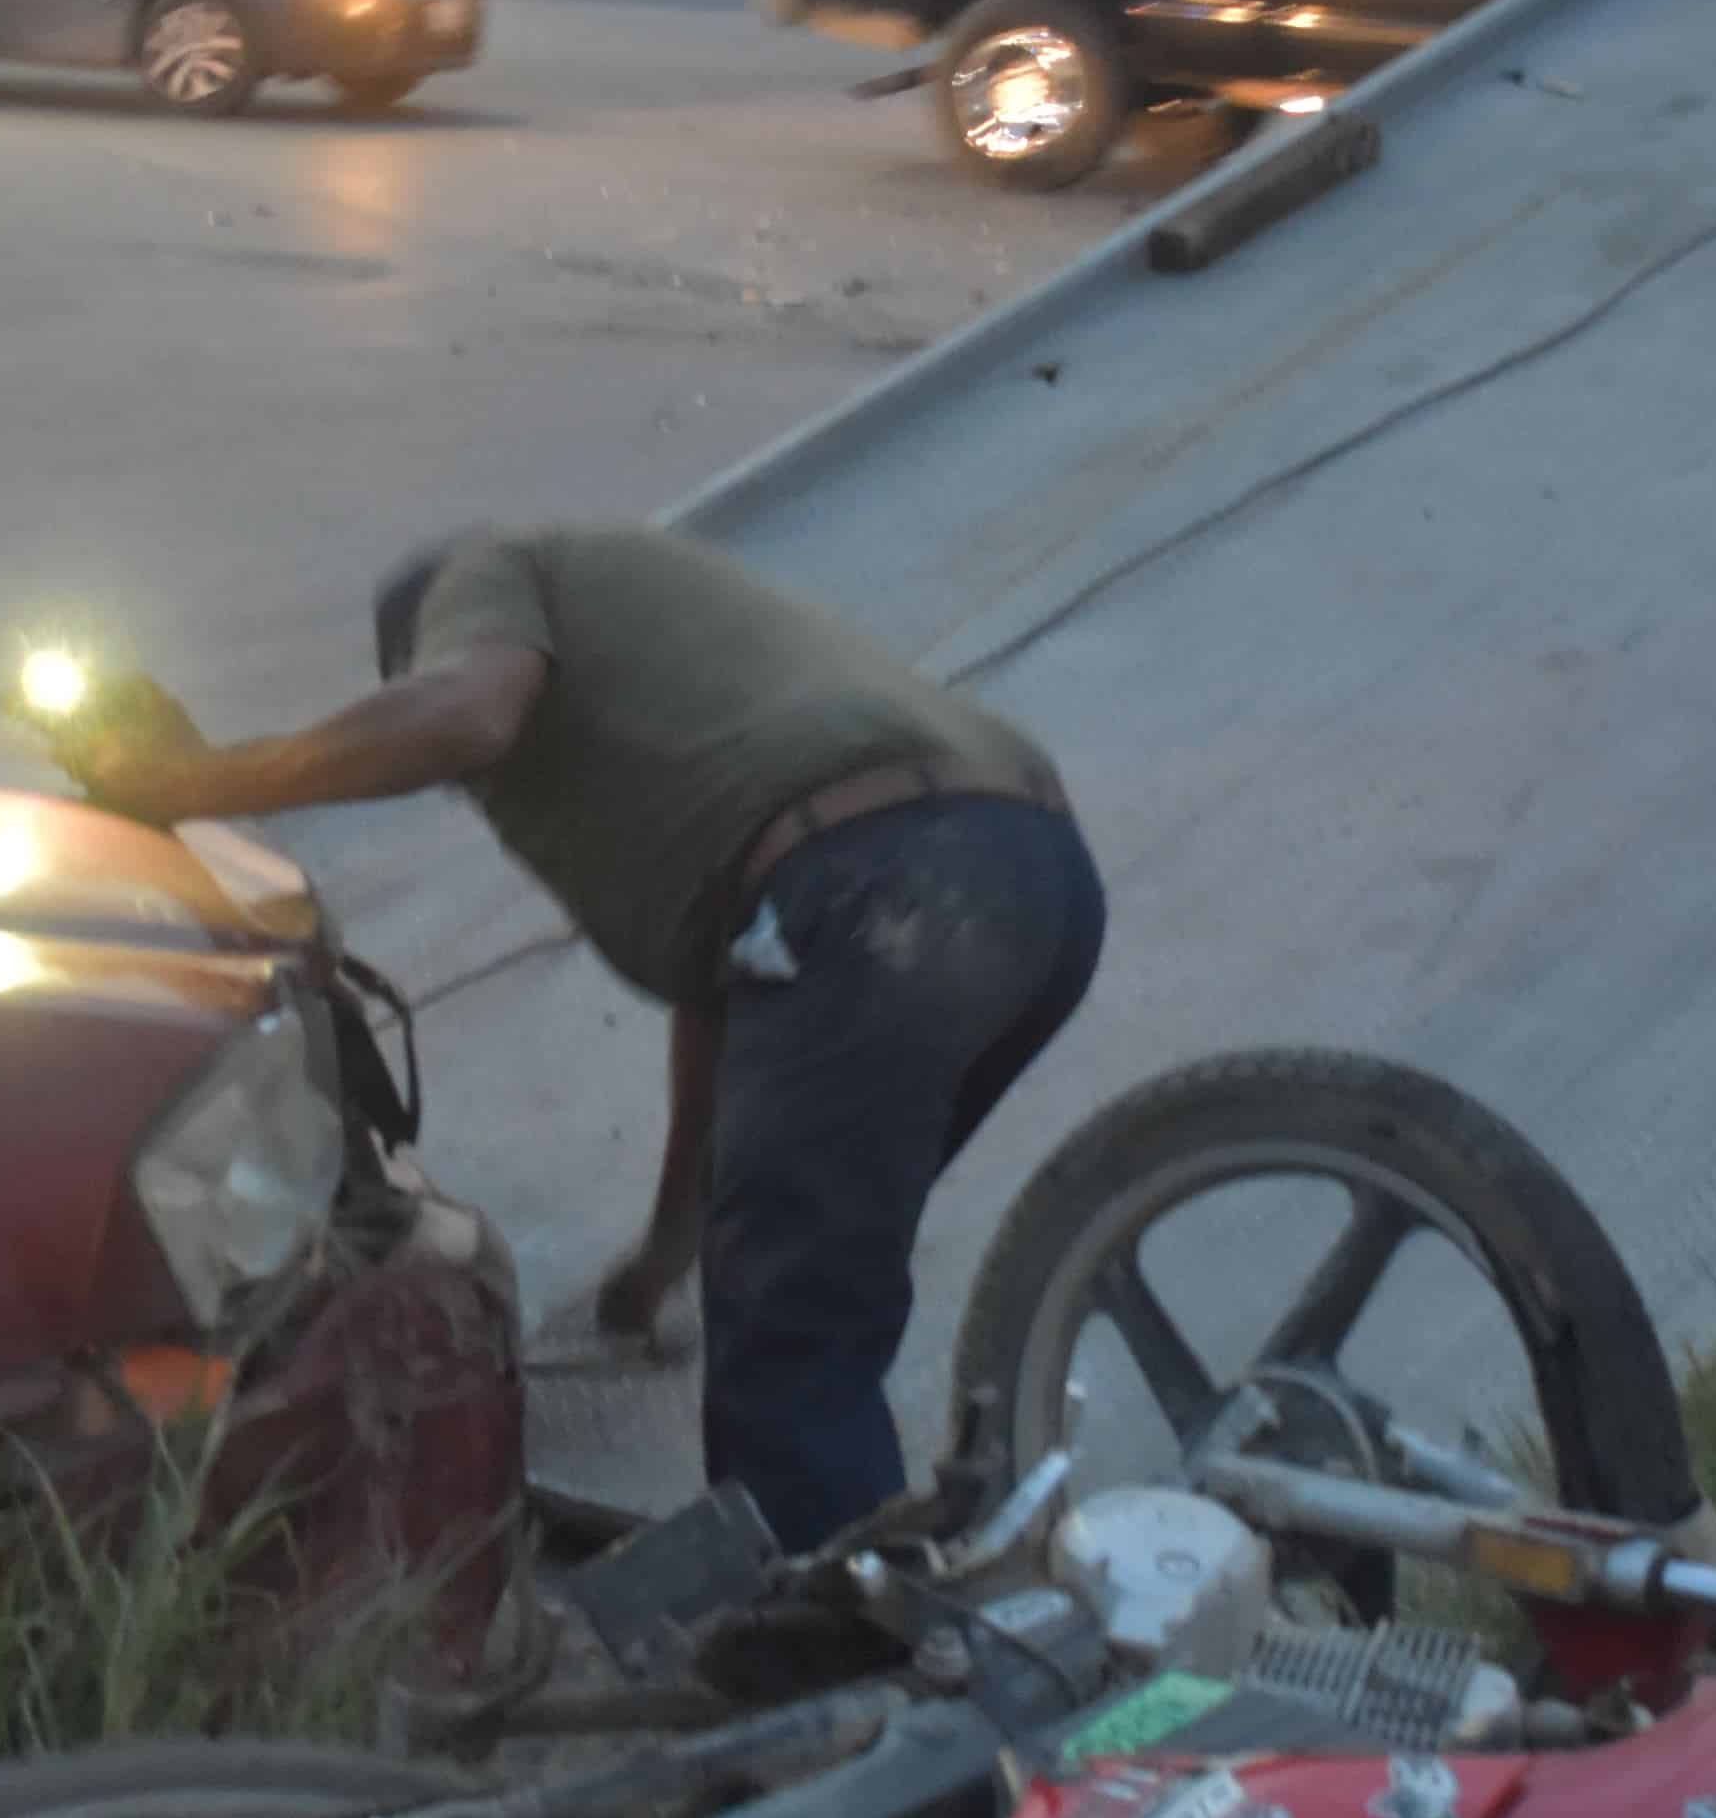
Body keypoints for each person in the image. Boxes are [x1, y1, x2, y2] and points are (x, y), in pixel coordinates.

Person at [57, 525, 1101, 1554]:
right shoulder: (686, 714)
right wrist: (669, 1249)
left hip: (885, 892)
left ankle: (844, 1673)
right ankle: (880, 1580)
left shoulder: (489, 572)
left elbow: (465, 716)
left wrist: (191, 784)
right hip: (1030, 884)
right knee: (811, 1271)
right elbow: (733, 1002)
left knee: (794, 1336)